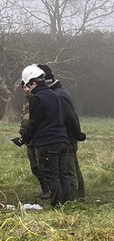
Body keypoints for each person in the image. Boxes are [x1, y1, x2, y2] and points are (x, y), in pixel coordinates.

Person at [18, 64, 79, 208]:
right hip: (62, 141)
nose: (27, 88)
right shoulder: (55, 94)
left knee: (51, 175)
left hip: (47, 143)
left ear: (33, 83)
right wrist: (78, 133)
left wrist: (23, 139)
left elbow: (34, 123)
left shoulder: (36, 99)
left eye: (28, 85)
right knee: (63, 174)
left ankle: (57, 206)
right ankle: (68, 205)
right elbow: (67, 116)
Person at [36, 64, 86, 198]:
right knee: (70, 168)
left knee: (69, 169)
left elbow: (70, 118)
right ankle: (74, 196)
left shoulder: (58, 95)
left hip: (67, 137)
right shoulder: (57, 92)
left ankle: (74, 198)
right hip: (64, 136)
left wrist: (77, 135)